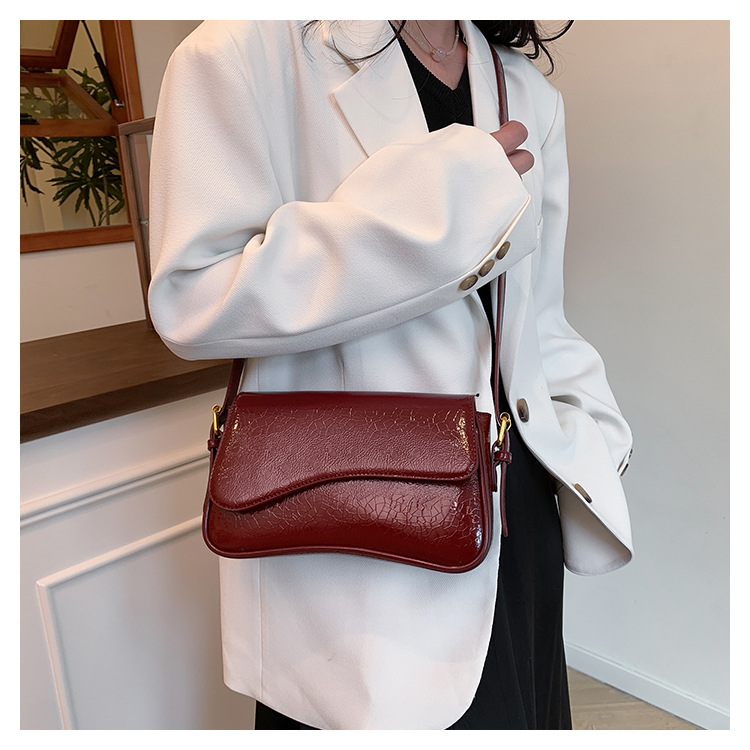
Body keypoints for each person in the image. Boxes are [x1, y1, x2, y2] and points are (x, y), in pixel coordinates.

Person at [148, 20, 634, 730]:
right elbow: (193, 301)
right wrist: (431, 213)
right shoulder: (241, 53)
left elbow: (538, 319)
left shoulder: (523, 88)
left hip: (515, 503)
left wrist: (595, 432)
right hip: (357, 518)